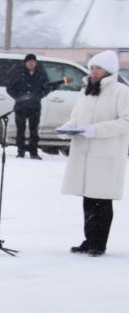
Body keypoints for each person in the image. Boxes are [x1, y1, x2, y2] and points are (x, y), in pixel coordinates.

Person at [58, 49, 129, 255]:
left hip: (106, 153)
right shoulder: (86, 90)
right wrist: (68, 129)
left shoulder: (121, 91)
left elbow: (126, 121)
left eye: (98, 68)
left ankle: (99, 243)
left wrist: (97, 130)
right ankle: (89, 239)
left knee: (102, 200)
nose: (94, 72)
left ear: (109, 70)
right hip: (84, 152)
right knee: (88, 199)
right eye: (92, 68)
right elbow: (77, 116)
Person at [5, 53, 52, 159]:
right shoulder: (18, 73)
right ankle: (20, 152)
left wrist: (39, 96)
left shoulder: (41, 74)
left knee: (34, 131)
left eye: (33, 62)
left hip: (35, 107)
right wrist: (18, 97)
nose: (31, 63)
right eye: (29, 61)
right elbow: (9, 87)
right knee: (20, 130)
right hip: (20, 107)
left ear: (36, 63)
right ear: (25, 63)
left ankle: (33, 152)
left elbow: (47, 87)